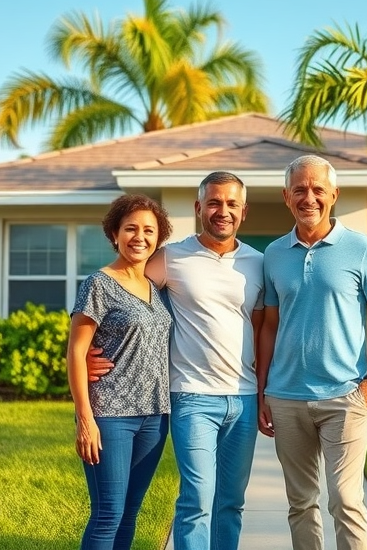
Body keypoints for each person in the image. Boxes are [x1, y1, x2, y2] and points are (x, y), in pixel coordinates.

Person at [88, 172, 264, 550]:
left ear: (244, 211)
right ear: (198, 207)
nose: (223, 211)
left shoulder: (258, 262)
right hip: (192, 397)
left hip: (245, 399)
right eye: (214, 202)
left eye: (232, 204)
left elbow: (266, 330)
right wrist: (85, 351)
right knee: (197, 500)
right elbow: (118, 290)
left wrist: (265, 393)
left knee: (231, 503)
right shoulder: (171, 258)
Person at [256, 155, 367, 550]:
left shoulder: (361, 248)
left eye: (318, 189)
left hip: (345, 396)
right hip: (286, 398)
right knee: (300, 503)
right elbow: (269, 326)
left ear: (333, 195)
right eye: (299, 189)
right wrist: (263, 392)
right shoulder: (273, 255)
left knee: (347, 500)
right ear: (287, 197)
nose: (309, 197)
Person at [66, 193, 174, 550]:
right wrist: (85, 418)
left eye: (148, 230)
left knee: (130, 511)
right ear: (115, 233)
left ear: (158, 238)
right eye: (130, 228)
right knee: (108, 512)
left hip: (155, 417)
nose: (139, 237)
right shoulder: (99, 284)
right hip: (110, 416)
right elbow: (76, 351)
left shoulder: (154, 288)